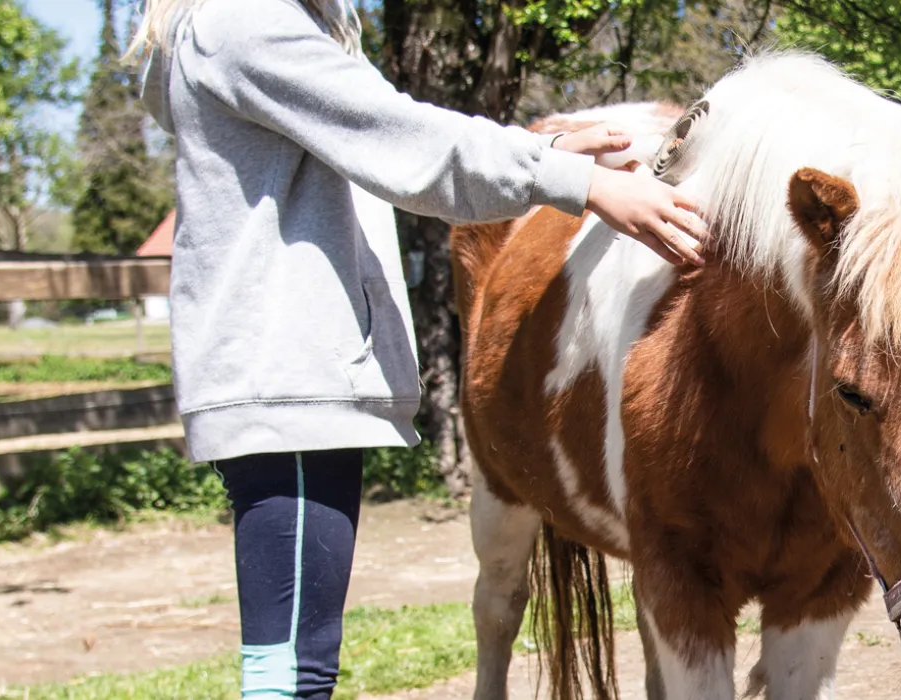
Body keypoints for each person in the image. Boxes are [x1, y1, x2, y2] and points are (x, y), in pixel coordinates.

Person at [126, 0, 707, 696]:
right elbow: (399, 139)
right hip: (286, 377)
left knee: (292, 658)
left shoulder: (228, 29)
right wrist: (578, 182)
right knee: (290, 668)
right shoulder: (246, 21)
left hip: (283, 377)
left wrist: (548, 155)